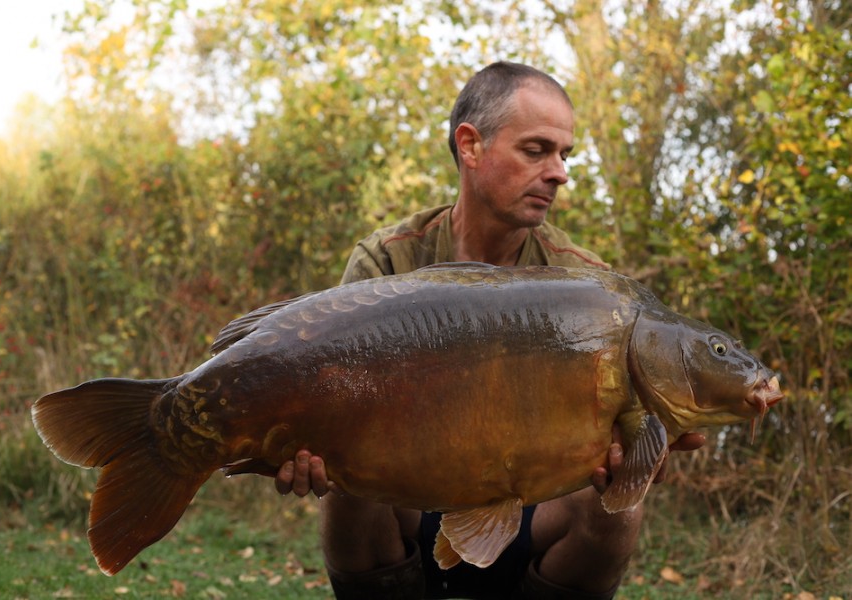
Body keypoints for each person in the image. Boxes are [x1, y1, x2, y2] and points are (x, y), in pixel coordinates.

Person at [273, 62, 704, 599]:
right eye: (536, 150)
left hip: (533, 506)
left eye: (564, 155)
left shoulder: (587, 283)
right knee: (342, 484)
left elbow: (632, 427)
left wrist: (640, 456)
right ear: (471, 146)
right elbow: (326, 390)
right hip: (408, 498)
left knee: (620, 509)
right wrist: (299, 445)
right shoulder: (387, 261)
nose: (559, 172)